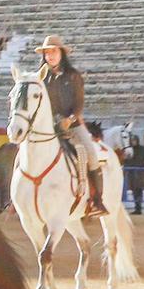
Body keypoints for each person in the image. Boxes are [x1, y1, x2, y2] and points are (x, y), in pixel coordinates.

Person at [37, 36, 105, 217]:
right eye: (47, 52)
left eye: (53, 51)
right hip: (48, 126)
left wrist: (70, 118)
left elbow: (79, 104)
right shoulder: (39, 78)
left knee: (90, 152)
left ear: (61, 54)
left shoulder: (74, 75)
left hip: (73, 124)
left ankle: (97, 200)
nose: (50, 55)